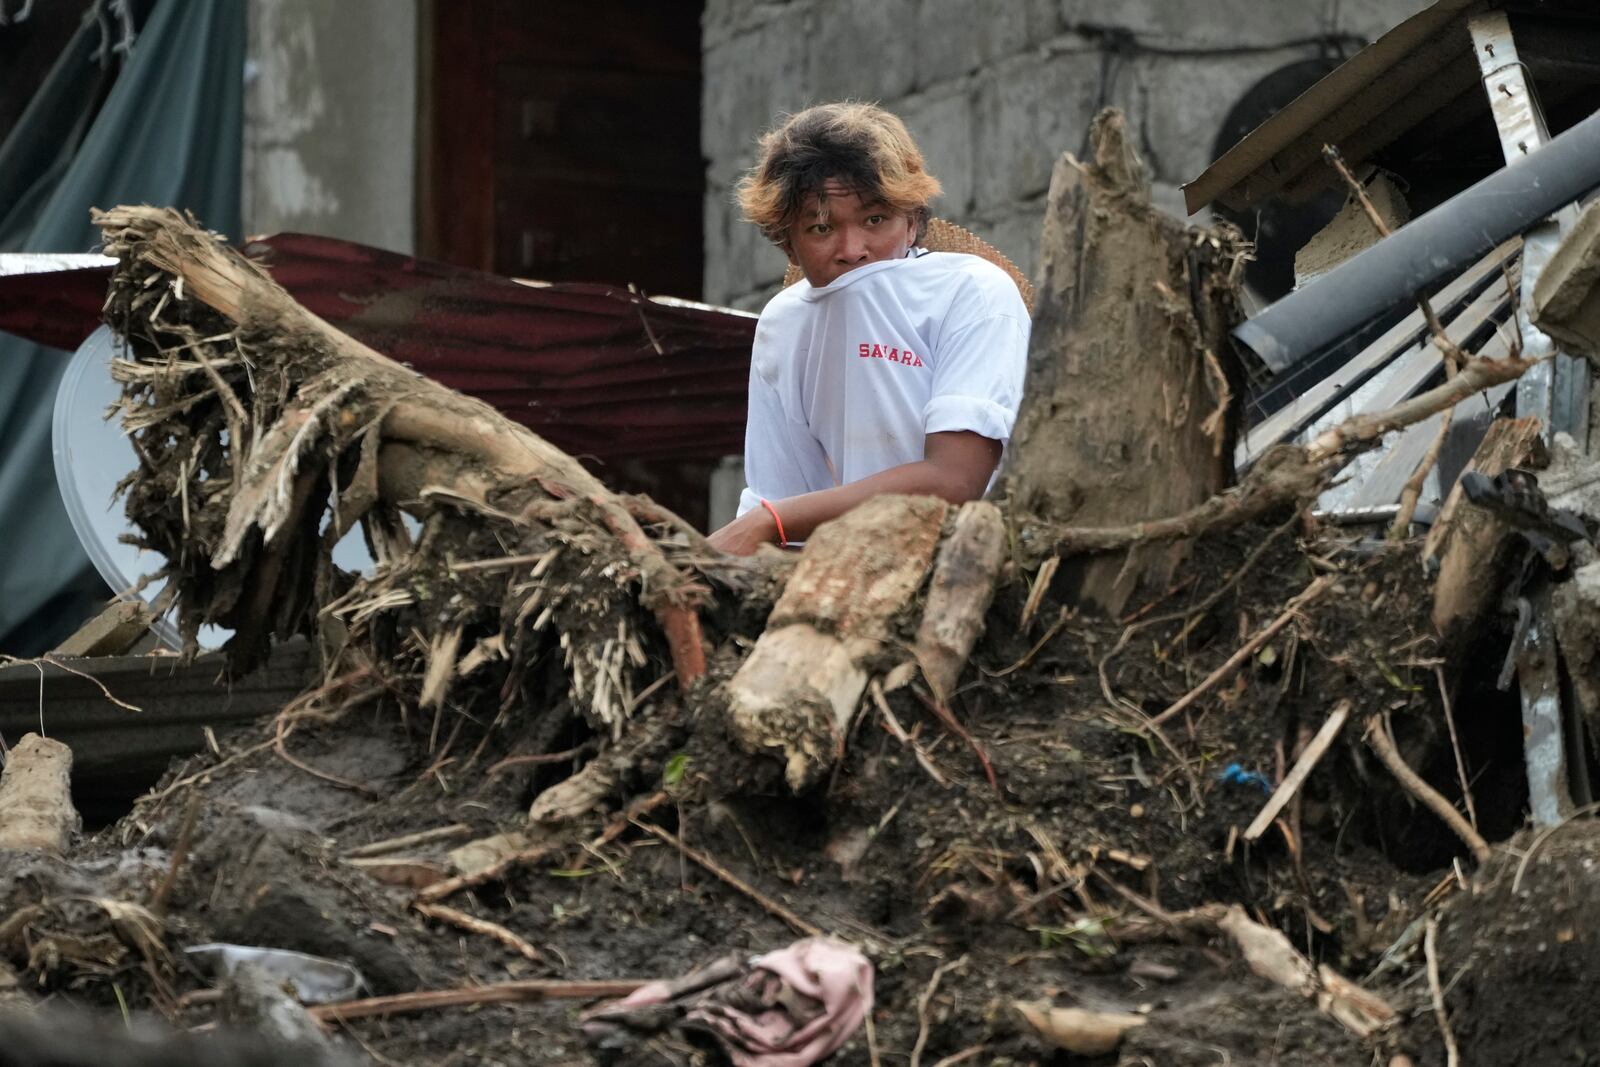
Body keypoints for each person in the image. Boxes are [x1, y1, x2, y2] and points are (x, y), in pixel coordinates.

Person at [706, 102, 1031, 556]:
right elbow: (779, 497)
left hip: (977, 565)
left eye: (875, 220)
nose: (853, 249)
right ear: (787, 243)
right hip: (841, 575)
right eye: (821, 228)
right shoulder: (784, 324)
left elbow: (956, 480)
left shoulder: (971, 291)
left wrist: (771, 521)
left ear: (913, 221)